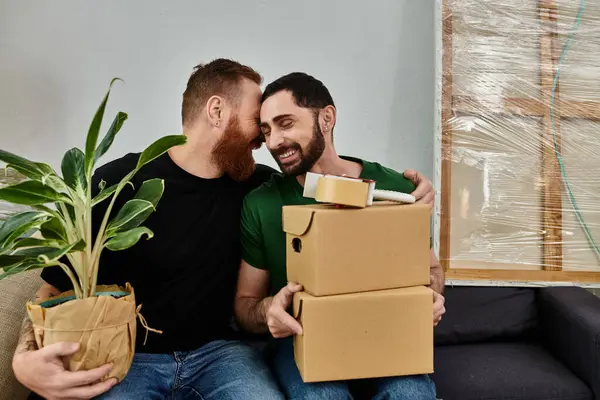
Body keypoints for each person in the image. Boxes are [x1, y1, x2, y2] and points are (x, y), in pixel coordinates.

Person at [12, 60, 435, 400]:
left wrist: (404, 196)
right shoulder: (120, 181)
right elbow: (53, 287)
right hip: (127, 358)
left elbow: (331, 186)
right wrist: (23, 360)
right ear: (216, 111)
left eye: (276, 126)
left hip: (218, 355)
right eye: (259, 124)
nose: (265, 142)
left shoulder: (257, 188)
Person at [234, 72, 445, 399]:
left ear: (327, 118)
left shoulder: (397, 190)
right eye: (266, 130)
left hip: (388, 335)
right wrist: (268, 311)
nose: (274, 141)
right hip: (304, 339)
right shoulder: (261, 204)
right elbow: (245, 306)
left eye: (285, 123)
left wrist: (428, 298)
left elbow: (431, 272)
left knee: (410, 395)